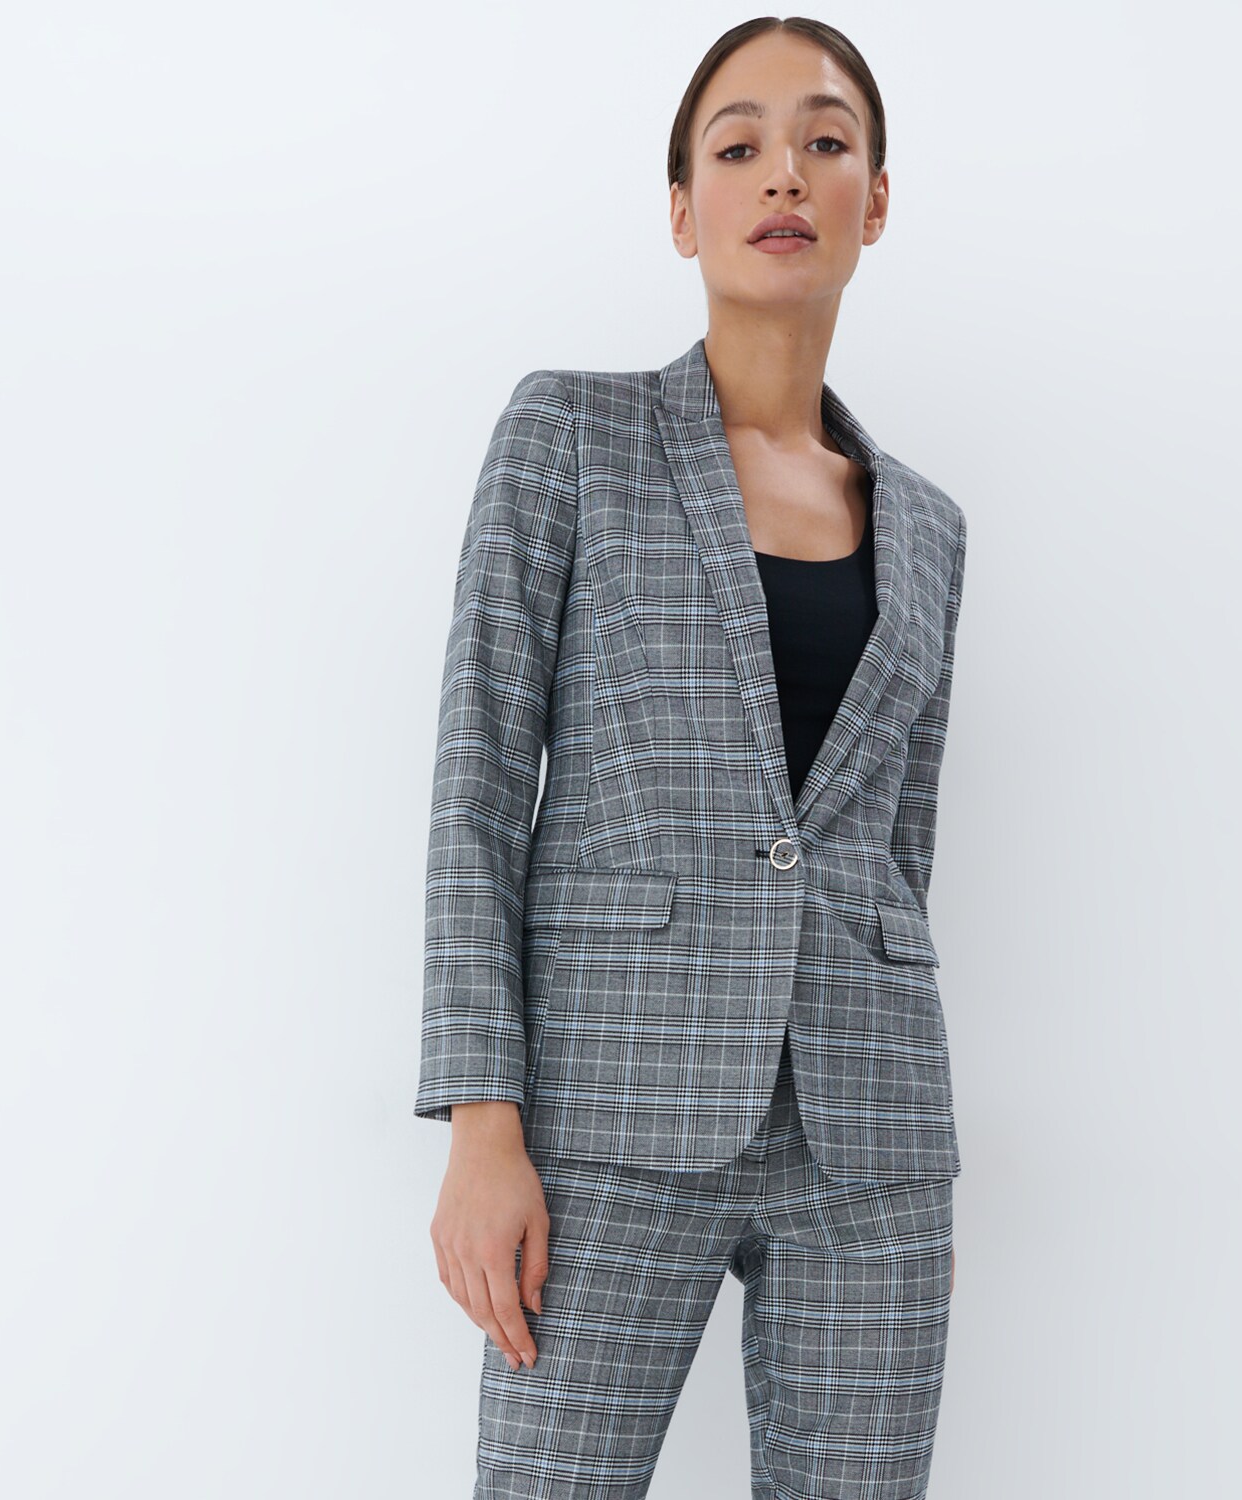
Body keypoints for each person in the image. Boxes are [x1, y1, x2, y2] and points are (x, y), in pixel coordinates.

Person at [418, 18, 969, 1497]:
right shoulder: (572, 437)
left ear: (874, 199)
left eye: (826, 141)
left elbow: (897, 851)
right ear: (683, 209)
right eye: (739, 146)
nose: (784, 171)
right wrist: (482, 1122)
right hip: (610, 1109)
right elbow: (479, 787)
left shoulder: (929, 528)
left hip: (871, 1134)